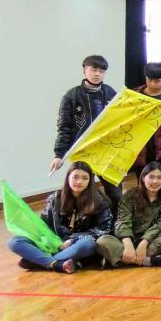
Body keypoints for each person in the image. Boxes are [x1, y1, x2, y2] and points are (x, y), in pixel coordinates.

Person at [8, 161, 113, 272]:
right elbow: (44, 226)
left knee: (87, 244)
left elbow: (104, 230)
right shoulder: (55, 199)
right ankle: (57, 264)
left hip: (78, 244)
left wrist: (73, 240)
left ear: (90, 181)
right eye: (75, 177)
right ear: (68, 178)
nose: (79, 181)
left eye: (84, 178)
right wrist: (55, 243)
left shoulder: (100, 201)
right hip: (56, 243)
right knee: (15, 241)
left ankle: (41, 261)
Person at [50, 54, 121, 214]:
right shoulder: (71, 96)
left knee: (115, 193)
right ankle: (84, 223)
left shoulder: (110, 93)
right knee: (82, 191)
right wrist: (59, 154)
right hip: (83, 152)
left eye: (101, 71)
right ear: (84, 70)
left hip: (107, 151)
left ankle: (116, 223)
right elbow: (64, 127)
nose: (97, 74)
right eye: (94, 69)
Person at [131, 61, 161, 197]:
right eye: (149, 79)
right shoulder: (134, 96)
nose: (153, 84)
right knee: (144, 191)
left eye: (157, 81)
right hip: (141, 152)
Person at [110, 162, 161, 267]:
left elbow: (159, 225)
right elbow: (123, 221)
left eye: (159, 177)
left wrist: (144, 242)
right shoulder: (130, 196)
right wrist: (128, 243)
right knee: (103, 241)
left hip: (150, 241)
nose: (155, 181)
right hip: (128, 239)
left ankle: (120, 260)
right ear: (143, 178)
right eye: (151, 177)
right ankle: (149, 261)